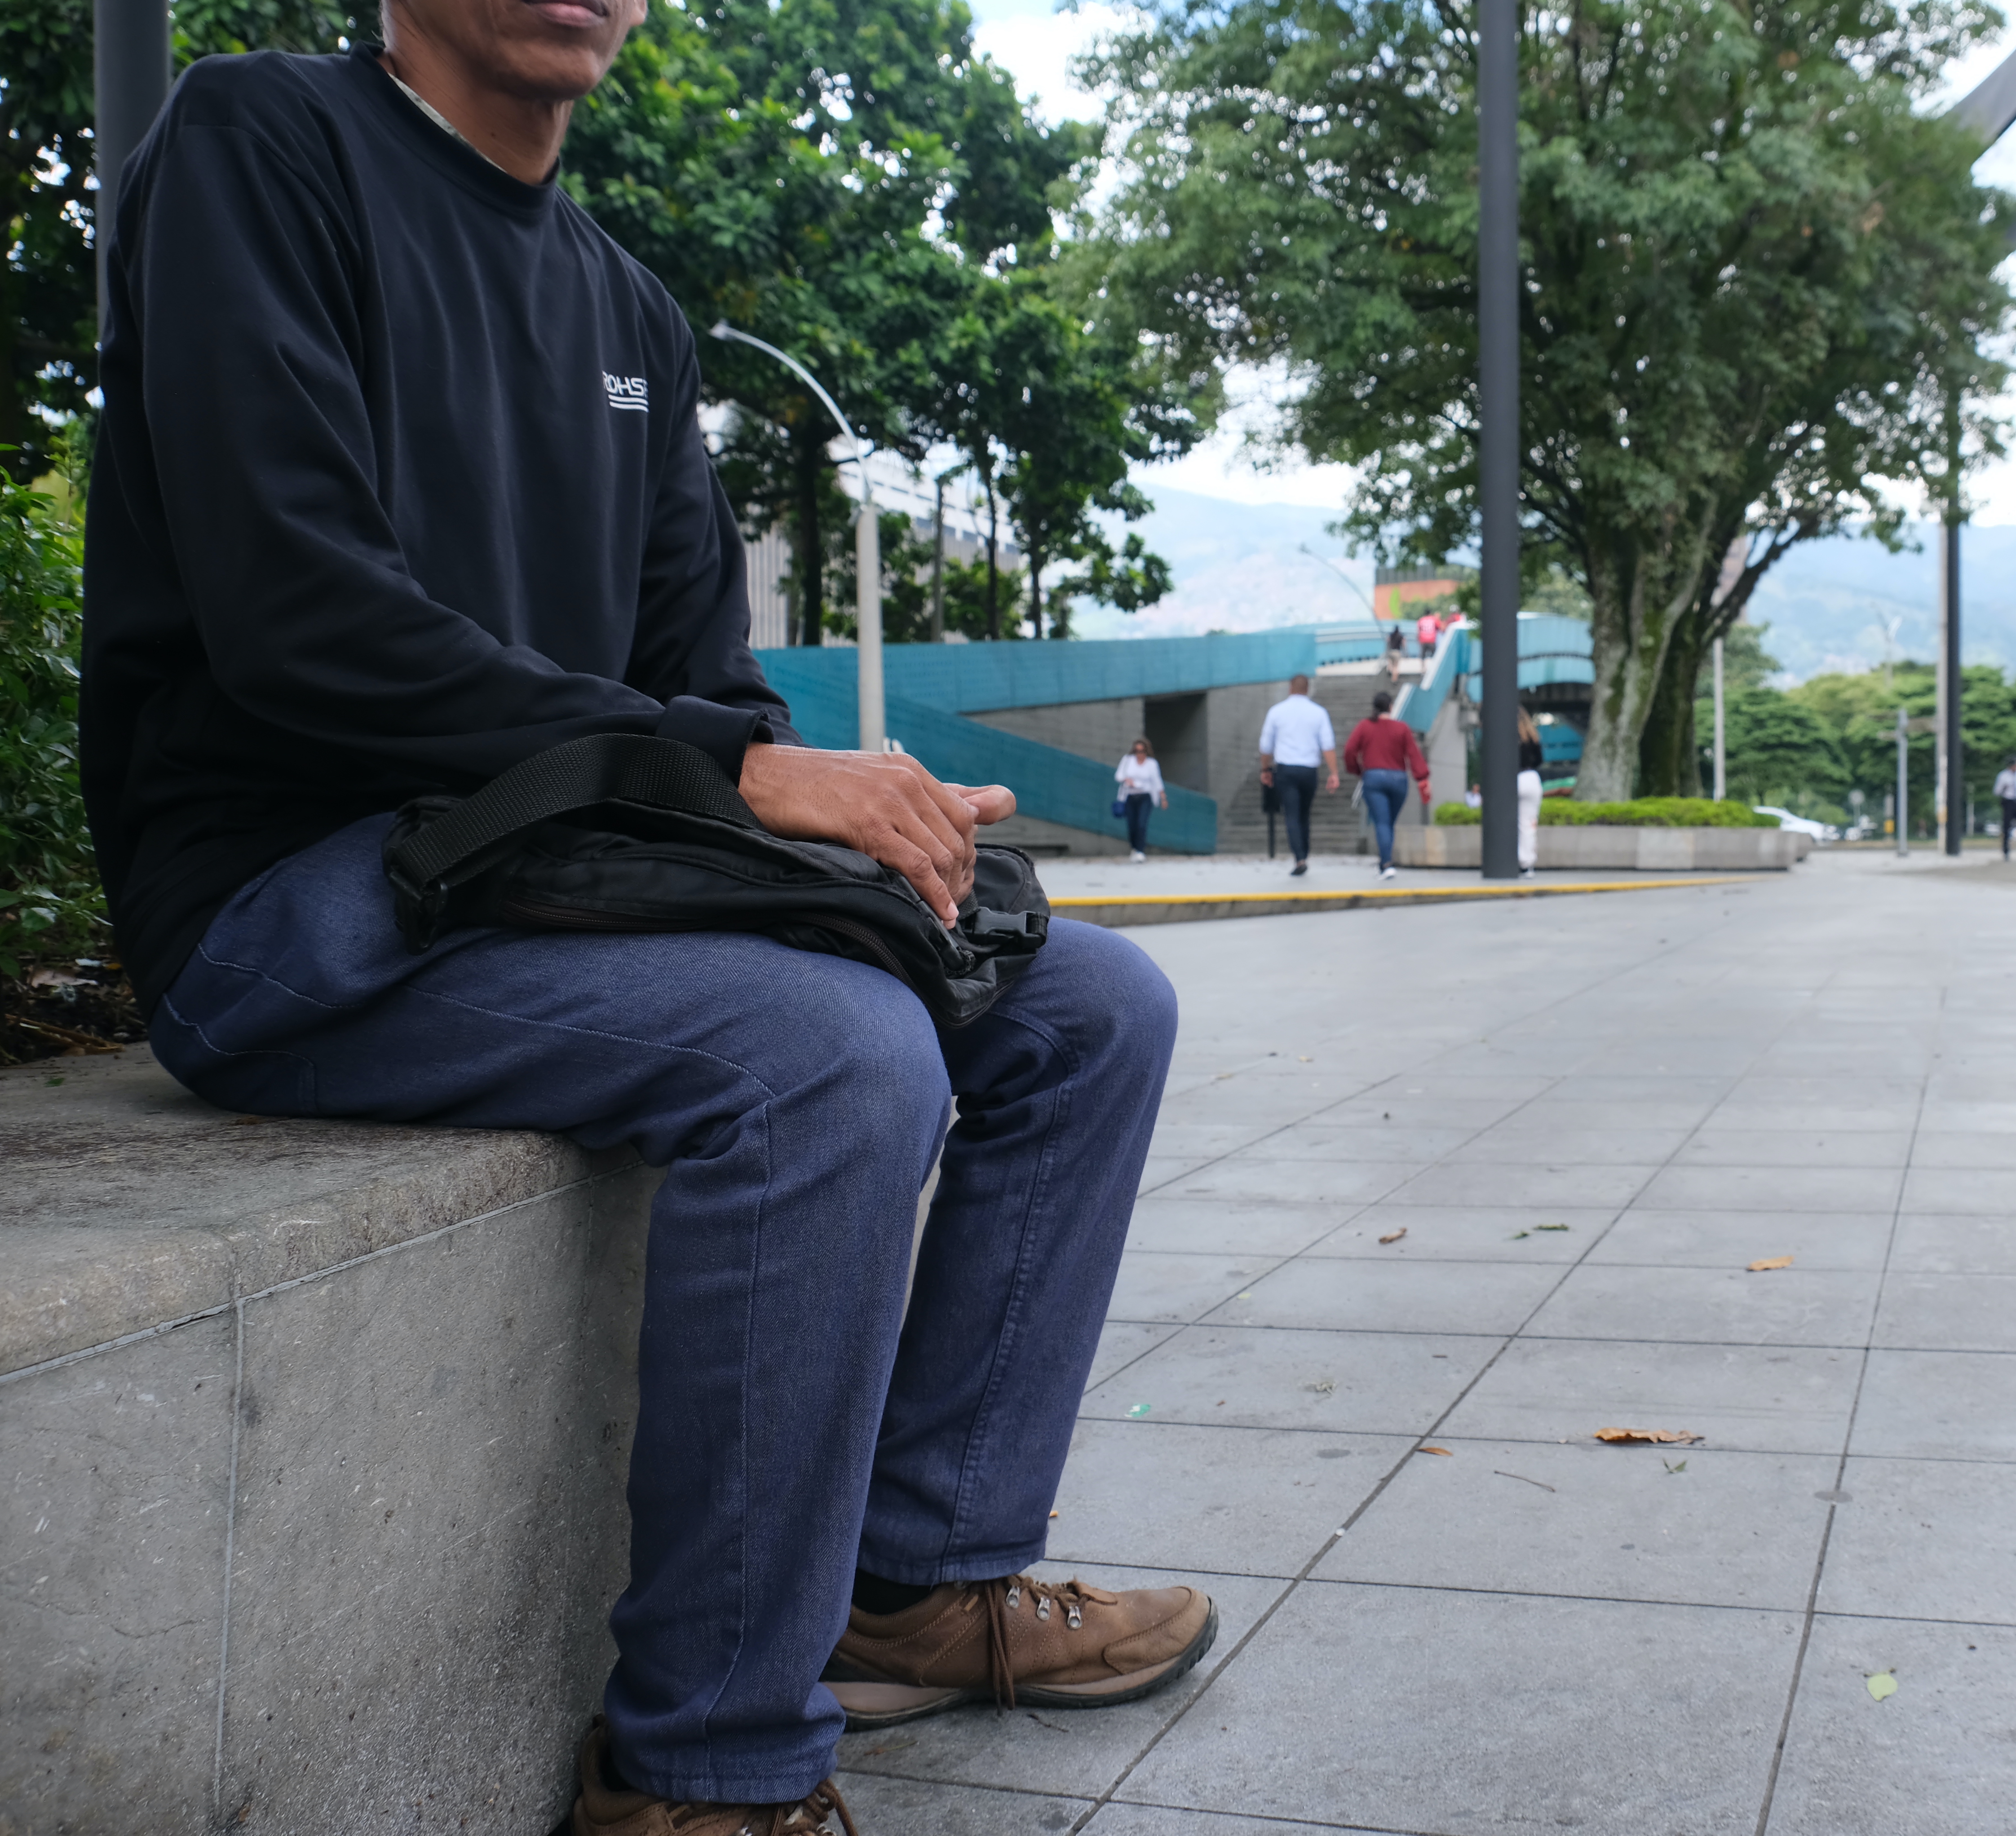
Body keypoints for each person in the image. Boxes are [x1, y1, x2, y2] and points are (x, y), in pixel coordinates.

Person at [81, 11, 1211, 1833]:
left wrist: (858, 810)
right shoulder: (259, 144)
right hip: (294, 893)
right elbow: (294, 616)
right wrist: (736, 771)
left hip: (555, 881)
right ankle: (704, 1768)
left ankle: (912, 1581)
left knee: (1086, 1003)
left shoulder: (625, 308)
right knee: (832, 1056)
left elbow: (699, 689)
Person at [1258, 674, 1340, 876]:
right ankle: (1304, 851)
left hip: (1286, 770)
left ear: (1290, 689)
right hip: (1309, 771)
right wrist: (1334, 773)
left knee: (1292, 814)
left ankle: (1300, 858)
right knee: (1305, 813)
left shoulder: (1276, 712)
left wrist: (1266, 770)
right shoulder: (1319, 713)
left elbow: (1266, 746)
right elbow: (1328, 745)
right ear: (1308, 689)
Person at [1344, 691, 1431, 877]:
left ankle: (1387, 864)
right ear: (1391, 707)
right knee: (1389, 823)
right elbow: (1414, 755)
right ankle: (1385, 862)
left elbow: (1350, 750)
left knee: (1382, 823)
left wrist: (1357, 770)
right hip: (1399, 780)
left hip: (1374, 778)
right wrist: (1422, 778)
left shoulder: (1365, 727)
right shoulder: (1402, 728)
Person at [1114, 738, 1167, 861]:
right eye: (1137, 751)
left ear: (1147, 752)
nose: (1140, 754)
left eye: (1142, 751)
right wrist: (1126, 780)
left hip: (1145, 796)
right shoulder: (1128, 761)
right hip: (1130, 796)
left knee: (1141, 823)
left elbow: (1157, 781)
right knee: (1132, 824)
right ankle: (1134, 847)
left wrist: (1163, 798)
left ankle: (1140, 850)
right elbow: (1118, 776)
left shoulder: (1152, 764)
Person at [1516, 708, 1546, 876]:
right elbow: (1540, 760)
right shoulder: (1532, 736)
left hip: (1514, 779)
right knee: (1528, 825)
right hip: (1532, 779)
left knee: (1505, 821)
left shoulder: (1505, 736)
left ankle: (1507, 858)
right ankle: (1527, 865)